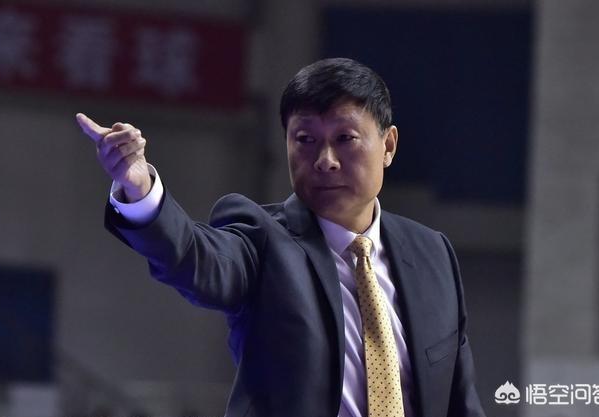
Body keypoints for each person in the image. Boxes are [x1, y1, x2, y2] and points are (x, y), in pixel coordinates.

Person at [77, 57, 486, 417]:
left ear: (389, 145)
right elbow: (193, 256)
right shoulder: (260, 237)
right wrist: (140, 190)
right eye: (305, 140)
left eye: (345, 139)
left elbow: (460, 401)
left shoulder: (432, 254)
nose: (325, 160)